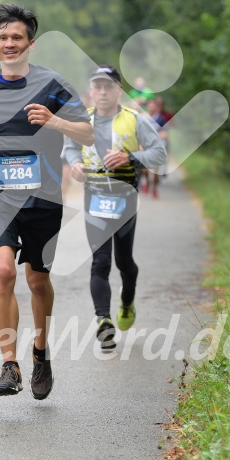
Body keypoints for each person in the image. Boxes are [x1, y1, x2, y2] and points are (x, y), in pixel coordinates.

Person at [0, 3, 93, 398]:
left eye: (17, 37)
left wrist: (54, 121)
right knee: (3, 271)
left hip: (44, 196)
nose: (9, 43)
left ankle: (40, 352)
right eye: (3, 37)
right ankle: (9, 365)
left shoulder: (54, 84)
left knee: (37, 279)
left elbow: (88, 134)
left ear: (30, 43)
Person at [63, 65, 166, 350]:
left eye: (109, 86)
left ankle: (127, 301)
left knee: (123, 262)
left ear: (119, 91)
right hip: (94, 195)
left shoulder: (135, 120)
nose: (104, 91)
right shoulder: (82, 121)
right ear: (91, 91)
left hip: (125, 196)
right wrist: (75, 164)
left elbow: (160, 153)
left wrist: (130, 157)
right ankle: (103, 321)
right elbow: (70, 148)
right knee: (100, 261)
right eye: (98, 86)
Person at [141, 98, 168, 198]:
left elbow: (165, 133)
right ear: (147, 107)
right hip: (145, 146)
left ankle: (154, 189)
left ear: (156, 107)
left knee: (155, 171)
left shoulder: (161, 119)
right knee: (144, 170)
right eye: (150, 106)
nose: (151, 108)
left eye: (153, 106)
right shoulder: (143, 118)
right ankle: (147, 182)